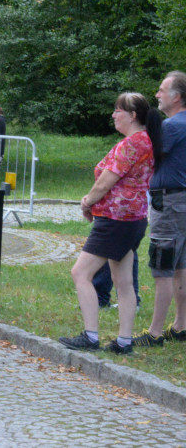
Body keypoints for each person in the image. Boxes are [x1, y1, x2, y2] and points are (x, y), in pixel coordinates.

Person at [59, 92, 161, 355]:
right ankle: (124, 342)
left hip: (115, 221)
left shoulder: (131, 144)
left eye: (118, 110)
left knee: (80, 273)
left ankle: (90, 336)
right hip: (134, 220)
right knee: (123, 281)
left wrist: (87, 202)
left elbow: (105, 182)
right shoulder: (147, 140)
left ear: (132, 115)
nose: (113, 115)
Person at [133, 70, 186, 348]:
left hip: (169, 202)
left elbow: (147, 154)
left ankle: (154, 334)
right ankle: (180, 326)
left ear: (177, 97)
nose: (157, 95)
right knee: (180, 265)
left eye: (162, 90)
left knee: (163, 266)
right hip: (181, 201)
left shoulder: (173, 126)